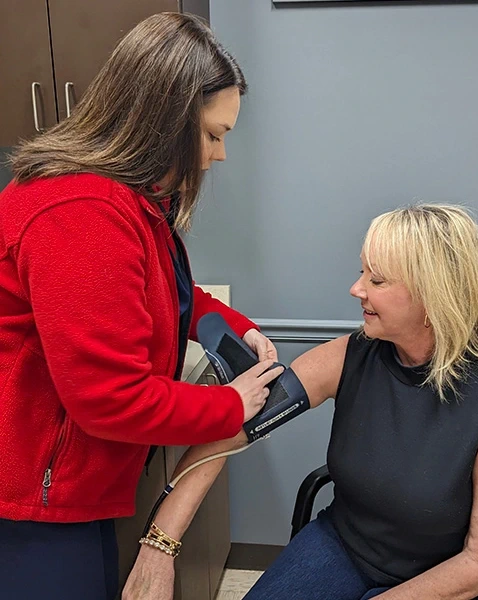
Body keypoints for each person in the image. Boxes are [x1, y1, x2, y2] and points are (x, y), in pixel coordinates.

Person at [0, 12, 283, 600]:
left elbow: (172, 293)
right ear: (162, 123)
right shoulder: (80, 214)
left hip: (72, 482)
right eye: (212, 134)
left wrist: (232, 327)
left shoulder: (130, 201)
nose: (220, 155)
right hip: (33, 499)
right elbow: (112, 399)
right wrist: (229, 405)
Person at [131, 204, 478, 600]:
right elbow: (231, 431)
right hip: (346, 548)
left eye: (376, 280)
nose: (356, 289)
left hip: (451, 579)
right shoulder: (349, 357)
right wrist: (158, 547)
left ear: (433, 297)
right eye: (362, 272)